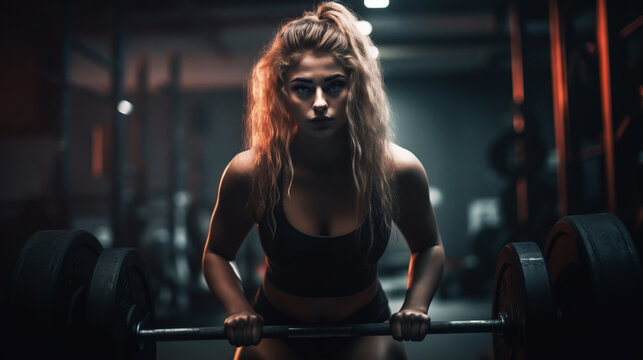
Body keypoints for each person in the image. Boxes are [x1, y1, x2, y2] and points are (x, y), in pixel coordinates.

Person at [202, 2, 445, 359]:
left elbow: (428, 248)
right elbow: (217, 254)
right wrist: (238, 308)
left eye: (333, 86)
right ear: (282, 94)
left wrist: (416, 305)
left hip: (365, 327)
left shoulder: (397, 169)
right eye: (303, 88)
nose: (319, 103)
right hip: (276, 328)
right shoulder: (252, 172)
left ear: (355, 88)